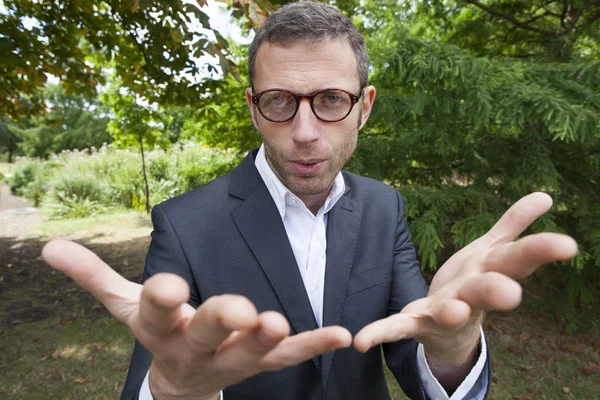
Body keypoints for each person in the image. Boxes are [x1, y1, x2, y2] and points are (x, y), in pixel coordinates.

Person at [42, 2, 578, 400]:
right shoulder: (184, 225)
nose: (304, 131)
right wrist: (174, 392)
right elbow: (165, 370)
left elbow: (412, 349)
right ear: (253, 108)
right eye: (279, 101)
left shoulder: (383, 207)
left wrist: (452, 348)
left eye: (330, 100)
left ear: (364, 107)